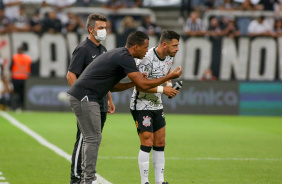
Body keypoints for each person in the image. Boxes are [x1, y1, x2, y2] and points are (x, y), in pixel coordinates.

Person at [67, 31, 182, 184]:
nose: (146, 50)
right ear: (136, 47)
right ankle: (88, 180)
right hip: (85, 96)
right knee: (92, 138)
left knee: (92, 138)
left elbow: (113, 85)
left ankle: (87, 179)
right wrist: (169, 78)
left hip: (88, 95)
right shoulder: (126, 58)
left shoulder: (122, 55)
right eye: (144, 47)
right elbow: (142, 84)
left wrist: (133, 83)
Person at [66, 13, 115, 184]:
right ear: (90, 29)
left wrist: (109, 99)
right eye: (100, 28)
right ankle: (76, 178)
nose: (104, 31)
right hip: (87, 101)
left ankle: (87, 176)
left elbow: (104, 79)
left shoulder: (102, 50)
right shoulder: (83, 49)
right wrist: (82, 97)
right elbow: (71, 75)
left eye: (105, 28)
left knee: (93, 140)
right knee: (84, 138)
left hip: (100, 101)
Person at [129, 30, 180, 184]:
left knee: (160, 142)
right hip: (141, 104)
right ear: (165, 44)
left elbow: (166, 73)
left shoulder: (169, 57)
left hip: (157, 104)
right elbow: (140, 86)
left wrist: (169, 86)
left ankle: (160, 181)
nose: (177, 48)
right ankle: (144, 181)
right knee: (147, 142)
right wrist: (163, 90)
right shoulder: (146, 59)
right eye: (175, 45)